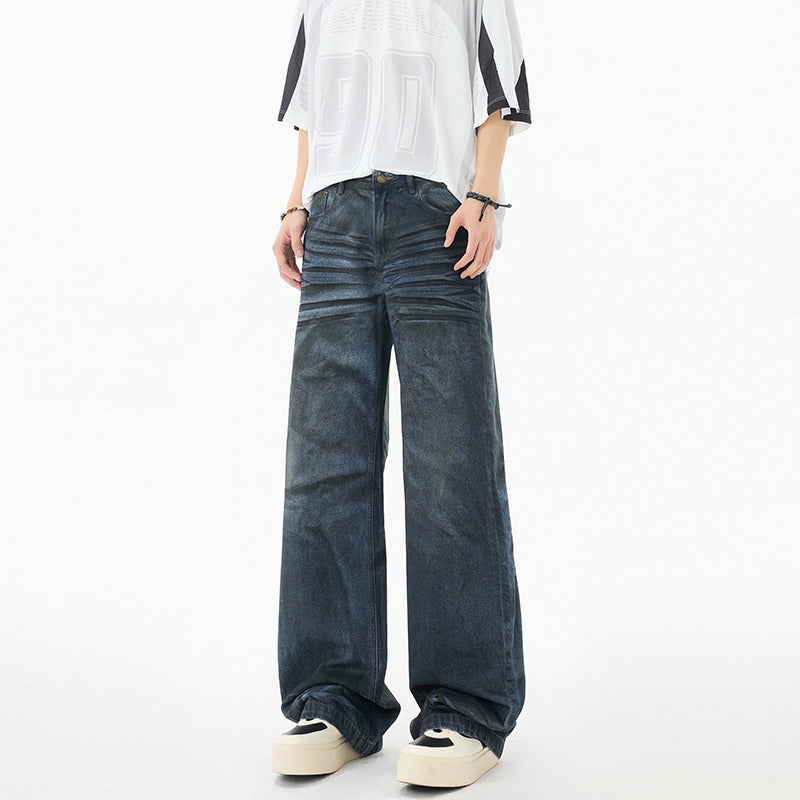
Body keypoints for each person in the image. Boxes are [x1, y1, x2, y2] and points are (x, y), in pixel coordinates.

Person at [270, 0, 531, 788]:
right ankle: (335, 699)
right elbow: (310, 104)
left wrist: (484, 196)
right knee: (325, 470)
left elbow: (501, 89)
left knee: (450, 468)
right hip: (335, 217)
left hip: (435, 216)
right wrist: (295, 202)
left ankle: (466, 707)